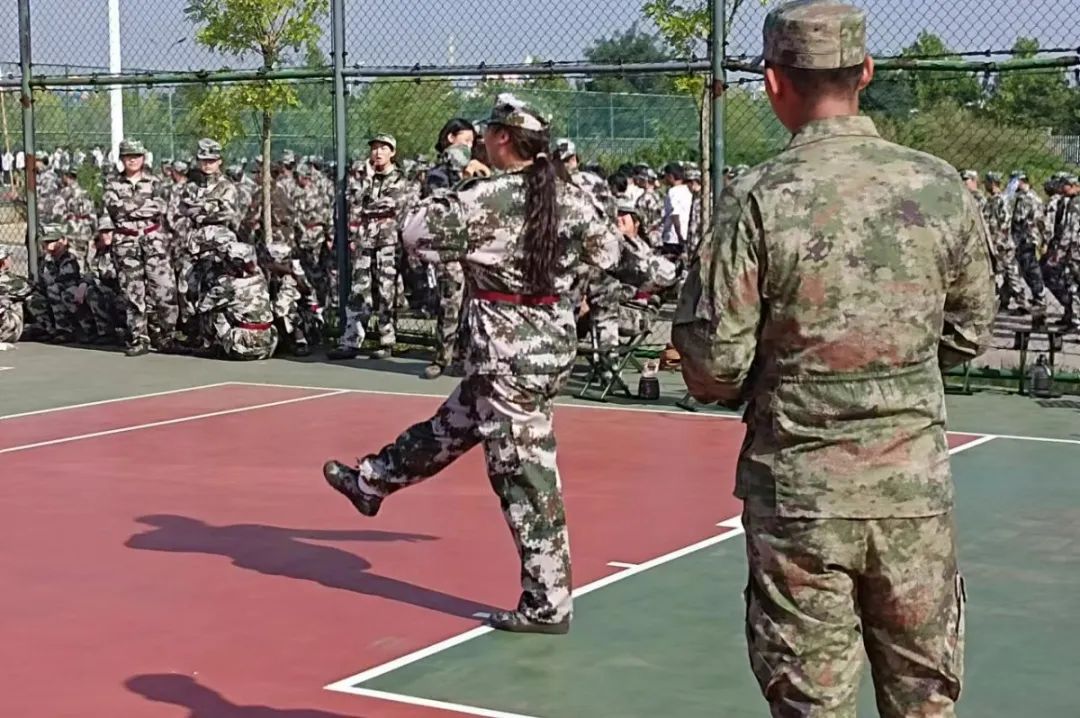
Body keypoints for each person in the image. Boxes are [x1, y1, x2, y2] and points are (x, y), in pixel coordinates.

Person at [672, 2, 996, 716]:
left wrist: (780, 378)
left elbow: (715, 363)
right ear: (866, 73)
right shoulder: (939, 185)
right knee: (924, 696)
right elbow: (971, 328)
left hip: (800, 494)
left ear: (773, 81)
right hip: (911, 488)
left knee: (811, 700)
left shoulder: (757, 197)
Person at [322, 94, 619, 635]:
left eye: (487, 132)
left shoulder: (485, 196)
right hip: (545, 348)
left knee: (525, 478)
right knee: (450, 426)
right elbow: (611, 255)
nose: (480, 139)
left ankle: (547, 603)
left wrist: (459, 183)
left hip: (508, 359)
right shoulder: (569, 194)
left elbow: (416, 233)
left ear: (502, 138)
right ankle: (372, 482)